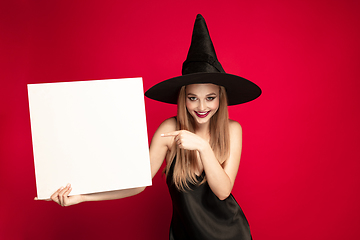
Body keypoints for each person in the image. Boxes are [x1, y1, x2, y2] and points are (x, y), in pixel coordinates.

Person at [49, 14, 261, 240]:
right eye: (192, 98)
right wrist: (83, 196)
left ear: (220, 98)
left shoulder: (232, 129)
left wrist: (202, 147)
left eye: (210, 98)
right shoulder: (169, 129)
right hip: (185, 235)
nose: (201, 106)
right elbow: (138, 183)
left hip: (231, 234)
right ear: (183, 98)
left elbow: (223, 191)